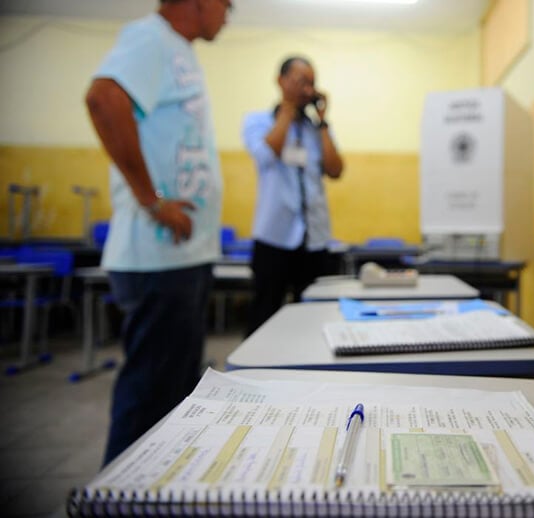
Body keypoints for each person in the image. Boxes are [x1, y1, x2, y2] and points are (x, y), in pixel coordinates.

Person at [84, 0, 231, 465]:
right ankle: (119, 498)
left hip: (181, 257)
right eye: (227, 3)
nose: (228, 13)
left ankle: (158, 491)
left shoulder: (179, 50)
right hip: (157, 257)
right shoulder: (151, 37)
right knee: (149, 396)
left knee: (173, 399)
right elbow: (103, 98)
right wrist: (152, 200)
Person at [242, 56, 344, 336]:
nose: (307, 90)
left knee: (313, 318)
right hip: (274, 236)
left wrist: (322, 122)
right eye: (300, 81)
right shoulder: (258, 121)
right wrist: (286, 110)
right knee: (264, 314)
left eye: (311, 83)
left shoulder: (316, 130)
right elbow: (266, 153)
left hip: (314, 238)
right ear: (281, 81)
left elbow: (335, 170)